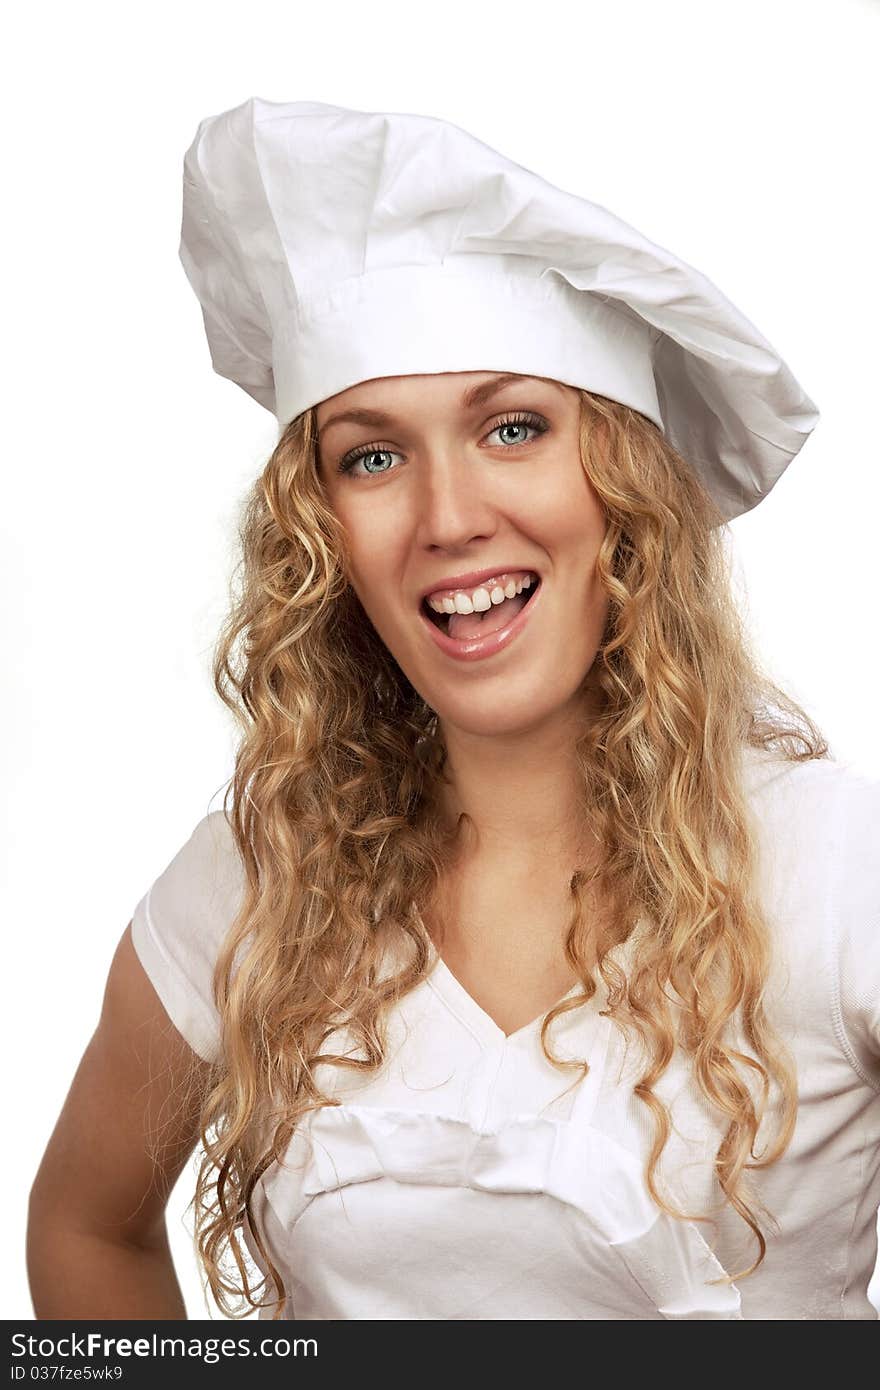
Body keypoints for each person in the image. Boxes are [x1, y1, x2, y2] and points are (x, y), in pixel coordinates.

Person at [27, 98, 880, 1322]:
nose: (446, 516)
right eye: (371, 456)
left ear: (625, 491)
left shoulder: (837, 872)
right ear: (324, 537)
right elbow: (84, 1225)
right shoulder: (258, 878)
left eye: (513, 427)